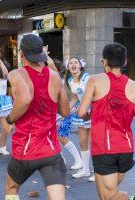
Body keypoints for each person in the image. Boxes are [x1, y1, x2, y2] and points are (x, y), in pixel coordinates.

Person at [2, 34, 70, 200]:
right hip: (51, 149)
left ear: (21, 54)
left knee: (11, 187)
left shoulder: (16, 74)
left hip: (26, 148)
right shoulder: (54, 76)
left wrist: (8, 119)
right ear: (41, 53)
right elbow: (65, 111)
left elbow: (25, 100)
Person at [77, 43, 135, 200]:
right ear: (124, 62)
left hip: (104, 148)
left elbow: (81, 111)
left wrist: (89, 116)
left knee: (110, 197)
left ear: (104, 62)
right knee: (106, 196)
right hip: (126, 148)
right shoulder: (133, 86)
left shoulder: (95, 80)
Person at [65, 57, 94, 181]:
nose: (73, 64)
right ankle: (85, 170)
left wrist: (87, 107)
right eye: (71, 63)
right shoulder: (70, 80)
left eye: (75, 62)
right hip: (82, 112)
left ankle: (98, 172)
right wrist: (65, 112)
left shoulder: (87, 78)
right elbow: (75, 98)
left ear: (80, 66)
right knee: (82, 142)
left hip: (93, 110)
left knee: (94, 143)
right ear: (68, 67)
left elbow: (95, 93)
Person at [53, 59, 82, 170]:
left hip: (60, 111)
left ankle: (78, 160)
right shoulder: (59, 79)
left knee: (61, 137)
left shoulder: (58, 79)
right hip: (56, 111)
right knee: (54, 137)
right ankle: (60, 158)